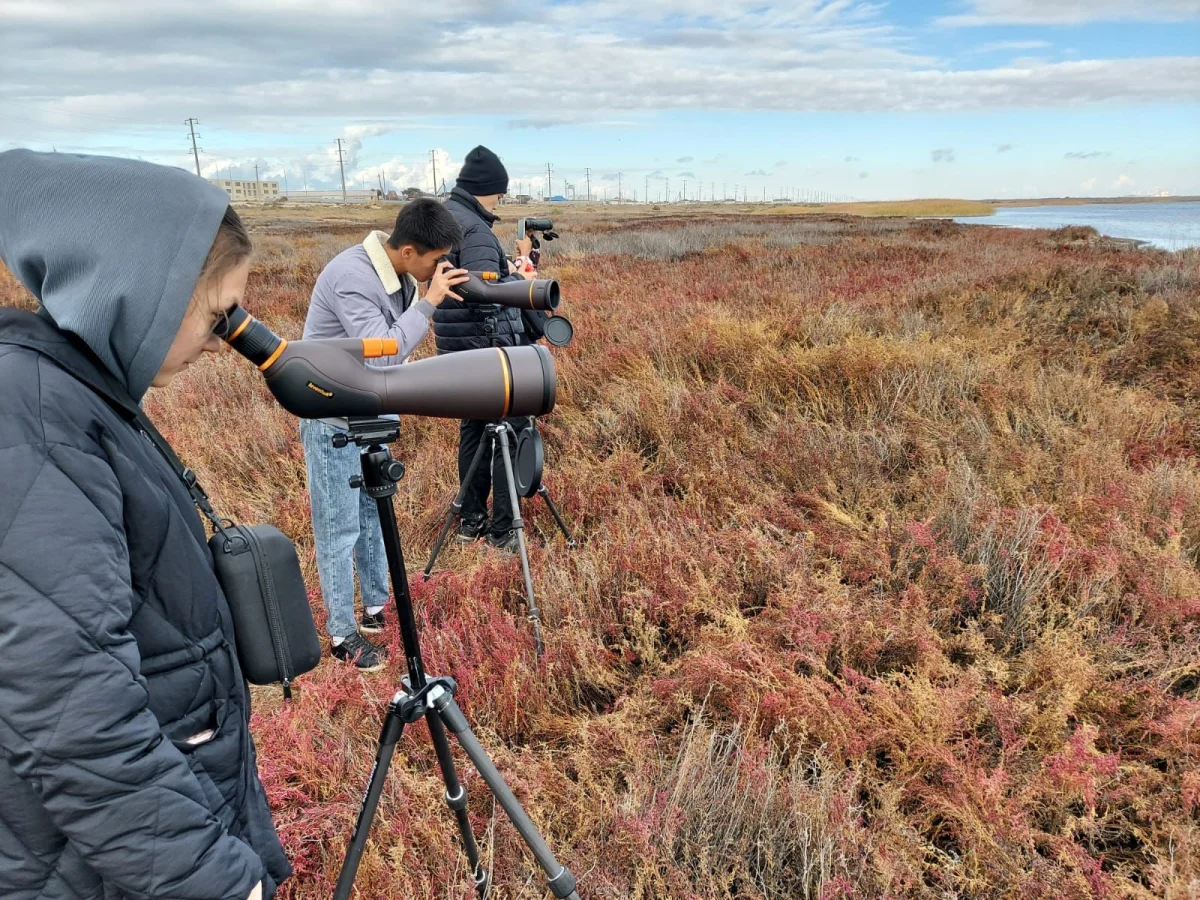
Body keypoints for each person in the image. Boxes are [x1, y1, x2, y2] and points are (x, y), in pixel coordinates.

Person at [0, 149, 288, 899]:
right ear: (143, 293)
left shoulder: (74, 394)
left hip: (139, 836)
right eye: (217, 315)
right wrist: (219, 882)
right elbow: (72, 711)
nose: (223, 341)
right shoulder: (34, 418)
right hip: (99, 866)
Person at [300, 199, 467, 670]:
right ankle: (341, 635)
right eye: (437, 260)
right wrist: (429, 302)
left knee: (373, 515)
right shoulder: (352, 276)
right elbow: (383, 353)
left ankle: (375, 608)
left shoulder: (398, 274)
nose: (440, 269)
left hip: (366, 410)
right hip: (331, 418)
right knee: (339, 528)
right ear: (409, 251)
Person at [434, 145, 537, 553]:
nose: (500, 200)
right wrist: (521, 281)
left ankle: (470, 521)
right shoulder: (475, 229)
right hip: (487, 348)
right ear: (487, 189)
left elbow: (471, 278)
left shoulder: (447, 218)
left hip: (459, 347)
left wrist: (506, 269)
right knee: (509, 430)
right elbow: (481, 294)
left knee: (474, 430)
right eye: (499, 193)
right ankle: (503, 530)